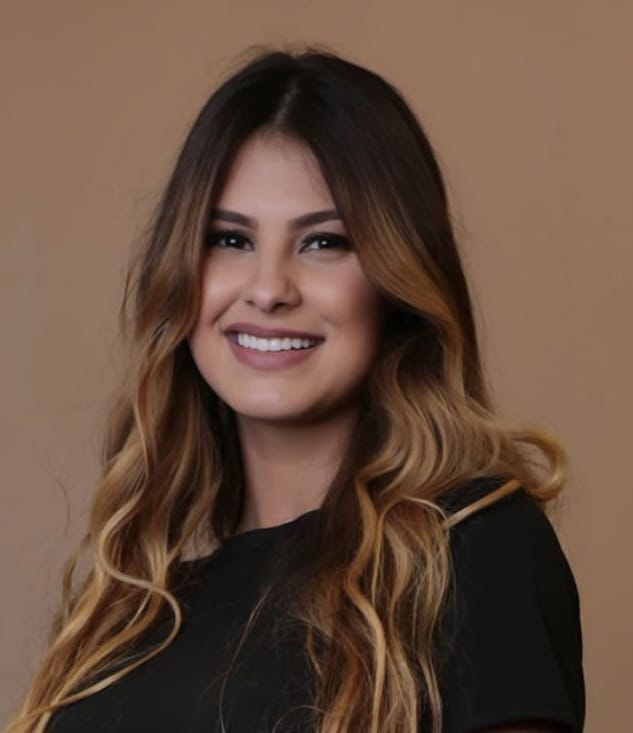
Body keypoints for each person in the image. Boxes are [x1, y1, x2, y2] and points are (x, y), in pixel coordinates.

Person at [5, 46, 585, 733]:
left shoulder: (475, 548)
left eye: (323, 242)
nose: (269, 289)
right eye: (230, 239)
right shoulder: (134, 604)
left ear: (396, 278)